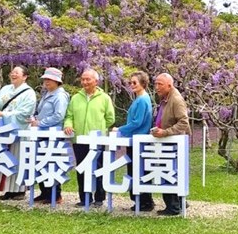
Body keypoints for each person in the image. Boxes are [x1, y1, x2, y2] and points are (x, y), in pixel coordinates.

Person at [0, 65, 37, 200]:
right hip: (3, 131)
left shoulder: (29, 93)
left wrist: (4, 114)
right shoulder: (5, 89)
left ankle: (19, 190)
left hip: (20, 132)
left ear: (25, 76)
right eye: (12, 72)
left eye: (17, 73)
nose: (13, 75)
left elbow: (25, 113)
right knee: (5, 160)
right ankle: (7, 189)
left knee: (18, 159)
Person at [63, 68, 115, 207]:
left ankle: (99, 198)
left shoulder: (104, 98)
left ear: (96, 81)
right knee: (81, 168)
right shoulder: (75, 98)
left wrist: (99, 127)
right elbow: (69, 116)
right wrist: (68, 125)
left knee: (98, 168)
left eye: (88, 79)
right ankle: (84, 198)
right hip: (79, 139)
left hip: (97, 140)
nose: (84, 82)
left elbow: (110, 118)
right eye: (83, 79)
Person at [112, 71, 155, 211]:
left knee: (138, 170)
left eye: (134, 82)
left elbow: (137, 122)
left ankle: (144, 201)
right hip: (136, 139)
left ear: (143, 84)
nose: (131, 85)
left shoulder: (142, 100)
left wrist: (120, 129)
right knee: (138, 170)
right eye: (130, 82)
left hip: (139, 139)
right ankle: (142, 200)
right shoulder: (140, 98)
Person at [150, 73, 191, 216]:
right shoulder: (165, 99)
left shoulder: (176, 100)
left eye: (160, 84)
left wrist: (166, 132)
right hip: (165, 142)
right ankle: (180, 202)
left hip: (173, 143)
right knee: (171, 173)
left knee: (168, 173)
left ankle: (173, 207)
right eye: (155, 84)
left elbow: (184, 123)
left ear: (169, 85)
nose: (157, 87)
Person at [30, 67, 70, 204]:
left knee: (51, 163)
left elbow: (59, 115)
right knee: (41, 162)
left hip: (52, 134)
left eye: (49, 79)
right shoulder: (47, 94)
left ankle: (55, 194)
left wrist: (40, 123)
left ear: (57, 81)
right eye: (45, 79)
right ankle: (45, 192)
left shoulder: (60, 96)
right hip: (42, 133)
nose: (46, 82)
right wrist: (35, 119)